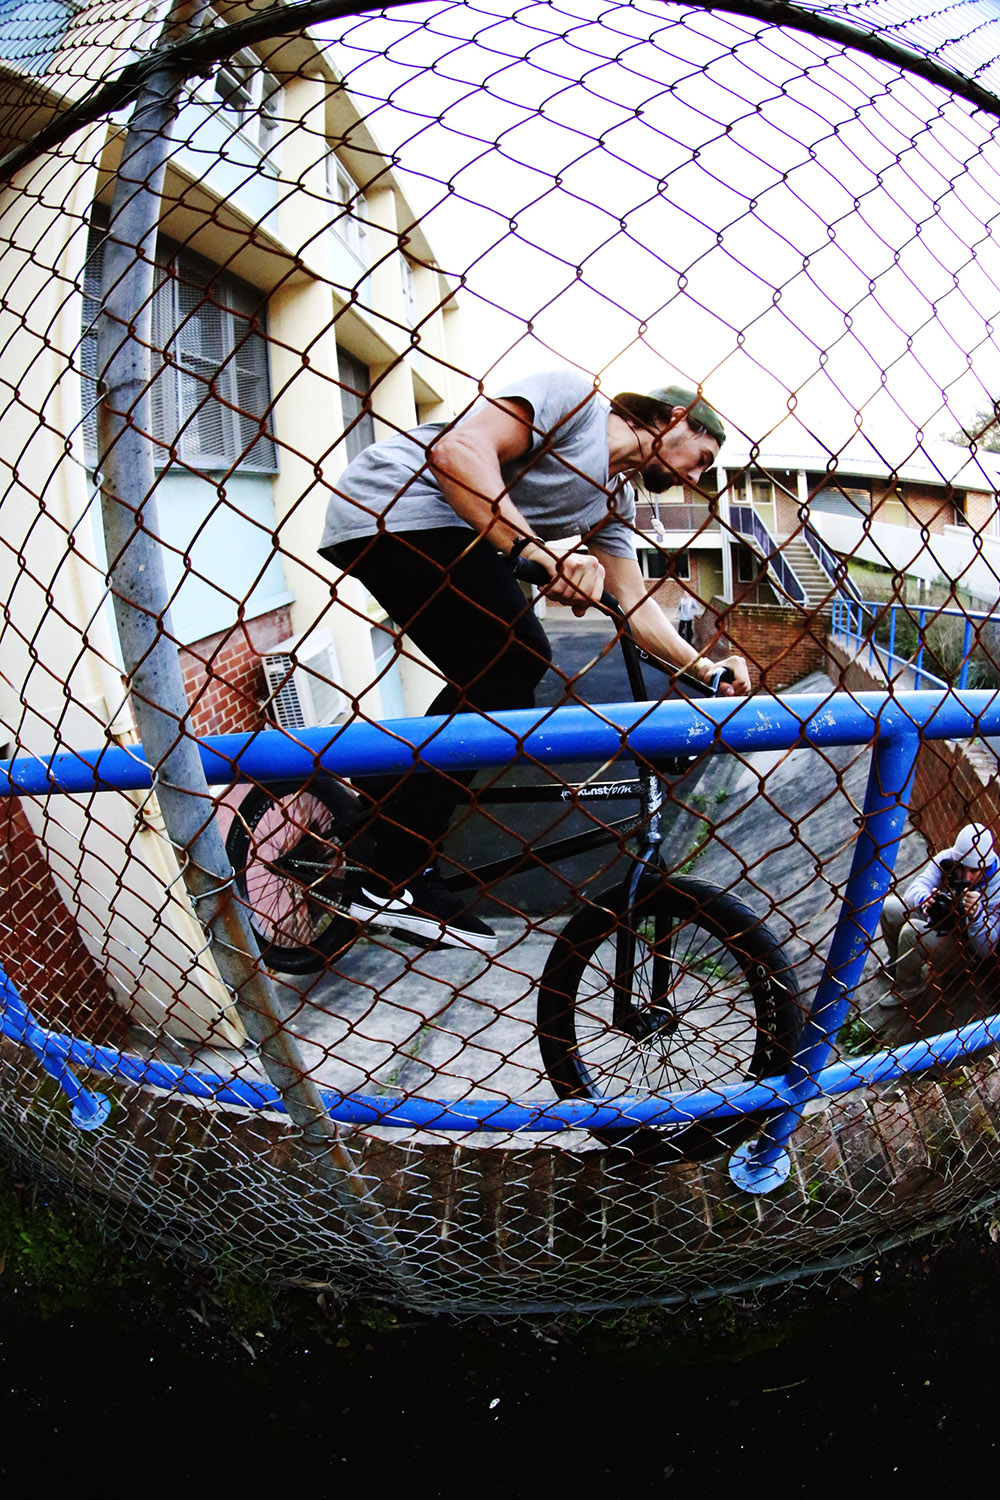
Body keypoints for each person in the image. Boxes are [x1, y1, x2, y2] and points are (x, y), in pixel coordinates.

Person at [319, 368, 750, 952]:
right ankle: (394, 872)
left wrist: (705, 668)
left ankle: (384, 798)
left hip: (454, 534)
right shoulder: (576, 404)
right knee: (515, 655)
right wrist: (541, 554)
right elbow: (456, 452)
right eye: (701, 459)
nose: (696, 479)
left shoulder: (613, 499)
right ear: (675, 419)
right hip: (392, 502)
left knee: (491, 675)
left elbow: (636, 606)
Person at [878, 823, 1000, 1007]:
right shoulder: (948, 857)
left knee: (911, 932)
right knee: (888, 908)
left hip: (963, 951)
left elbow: (985, 951)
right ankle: (898, 961)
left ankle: (909, 986)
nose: (966, 877)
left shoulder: (997, 887)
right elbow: (916, 888)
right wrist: (925, 899)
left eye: (974, 871)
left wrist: (976, 915)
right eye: (962, 867)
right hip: (938, 922)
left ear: (986, 865)